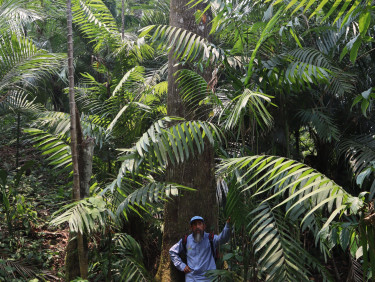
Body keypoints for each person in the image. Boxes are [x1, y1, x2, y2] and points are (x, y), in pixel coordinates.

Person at [169, 216, 232, 281]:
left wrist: (228, 224)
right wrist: (182, 266)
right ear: (191, 228)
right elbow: (172, 251)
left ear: (204, 226)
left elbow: (223, 238)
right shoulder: (186, 240)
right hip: (191, 278)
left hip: (208, 277)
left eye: (199, 224)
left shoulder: (210, 238)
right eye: (194, 225)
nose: (197, 227)